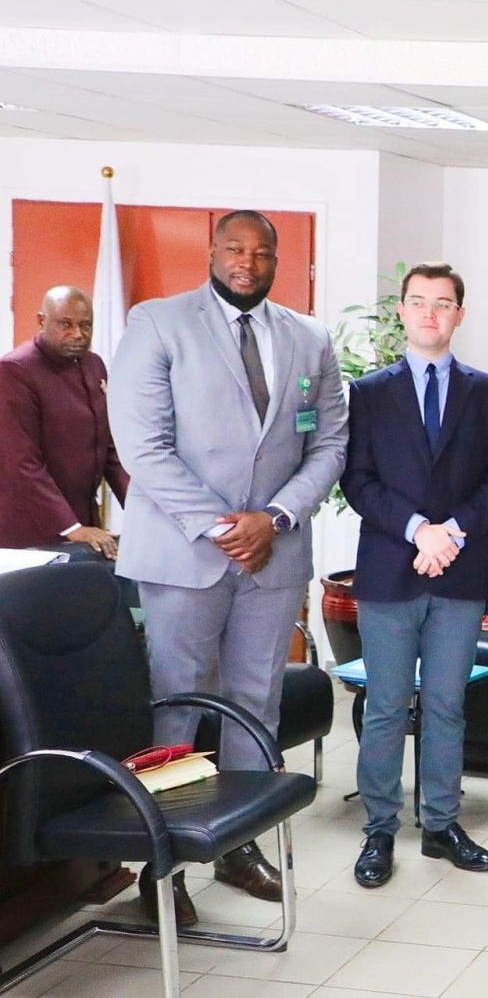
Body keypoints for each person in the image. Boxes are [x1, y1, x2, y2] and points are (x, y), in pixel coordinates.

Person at [108, 210, 347, 926]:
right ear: (213, 253)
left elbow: (329, 443)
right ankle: (163, 865)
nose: (248, 261)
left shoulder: (309, 337)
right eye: (235, 249)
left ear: (278, 259)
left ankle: (239, 847)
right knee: (175, 706)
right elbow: (142, 447)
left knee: (256, 702)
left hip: (274, 553)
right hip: (185, 554)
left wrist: (273, 518)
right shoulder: (158, 324)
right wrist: (224, 527)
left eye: (262, 251)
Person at [342, 263, 488, 889]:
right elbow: (357, 480)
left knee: (446, 706)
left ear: (459, 314)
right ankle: (379, 830)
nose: (429, 313)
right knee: (387, 707)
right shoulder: (368, 392)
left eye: (443, 303)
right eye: (418, 301)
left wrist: (452, 533)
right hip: (391, 570)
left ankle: (441, 824)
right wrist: (420, 530)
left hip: (459, 574)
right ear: (402, 311)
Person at [0, 285, 128, 554]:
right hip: (31, 530)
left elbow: (109, 450)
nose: (78, 334)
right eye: (66, 324)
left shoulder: (94, 365)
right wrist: (71, 527)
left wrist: (142, 510)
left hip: (84, 520)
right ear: (41, 321)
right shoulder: (15, 370)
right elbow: (21, 463)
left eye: (86, 325)